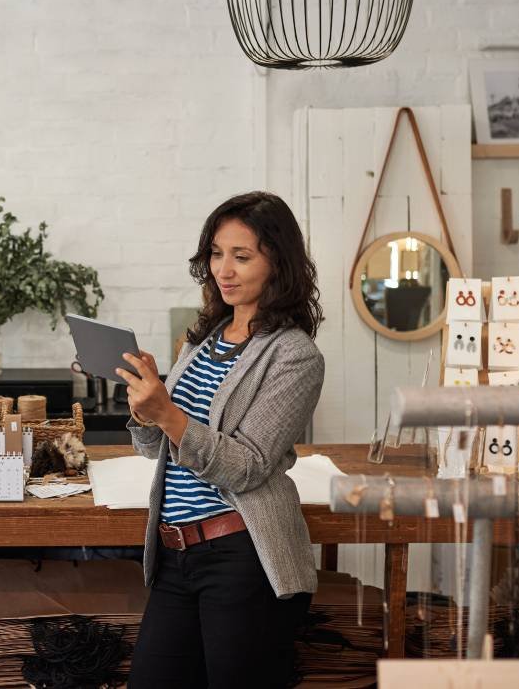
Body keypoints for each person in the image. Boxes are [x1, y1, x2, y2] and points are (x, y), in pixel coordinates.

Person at [121, 191, 325, 689]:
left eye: (241, 256)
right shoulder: (203, 341)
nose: (223, 270)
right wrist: (145, 404)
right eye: (216, 253)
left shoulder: (294, 356)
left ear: (277, 263)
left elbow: (248, 466)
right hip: (175, 554)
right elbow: (157, 449)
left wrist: (167, 414)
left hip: (242, 556)